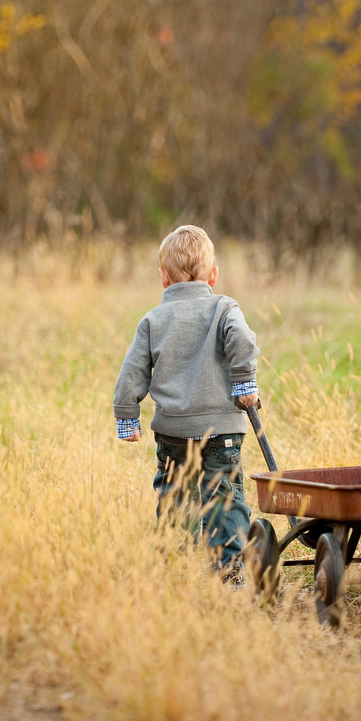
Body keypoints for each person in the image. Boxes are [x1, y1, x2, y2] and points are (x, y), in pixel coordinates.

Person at [113, 224, 260, 576]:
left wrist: (127, 417)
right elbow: (241, 339)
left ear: (164, 278)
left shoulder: (153, 320)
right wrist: (244, 384)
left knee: (175, 494)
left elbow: (132, 372)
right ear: (213, 275)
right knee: (223, 496)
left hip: (174, 431)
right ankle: (231, 569)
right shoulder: (225, 309)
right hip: (222, 428)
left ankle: (174, 564)